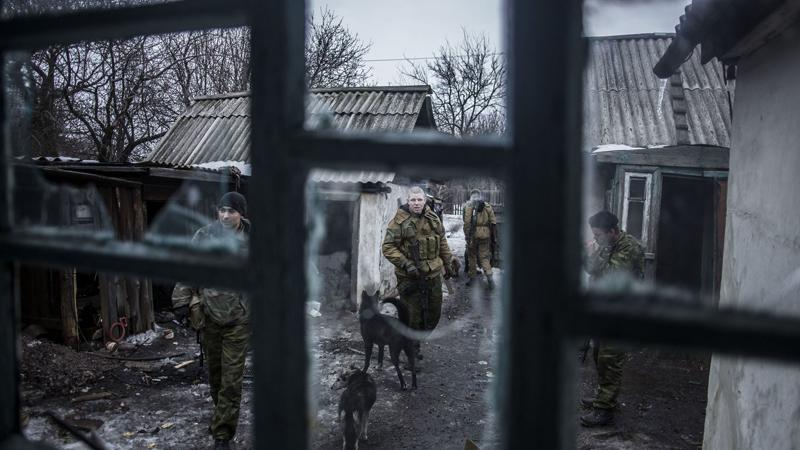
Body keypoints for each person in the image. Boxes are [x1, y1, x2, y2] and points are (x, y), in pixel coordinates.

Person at [172, 191, 251, 450]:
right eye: (222, 210)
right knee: (216, 377)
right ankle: (222, 418)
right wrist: (181, 303)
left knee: (231, 380)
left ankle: (222, 435)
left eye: (232, 211)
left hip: (240, 319)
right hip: (209, 317)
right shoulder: (204, 236)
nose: (226, 215)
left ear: (242, 213)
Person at [580, 210, 644, 428]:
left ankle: (605, 410)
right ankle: (603, 398)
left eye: (598, 235)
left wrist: (593, 254)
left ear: (613, 231)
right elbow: (591, 270)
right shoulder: (607, 245)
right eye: (594, 235)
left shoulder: (630, 248)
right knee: (600, 356)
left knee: (610, 360)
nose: (596, 239)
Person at [382, 186, 455, 360]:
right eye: (413, 200)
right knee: (412, 317)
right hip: (410, 278)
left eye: (419, 200)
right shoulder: (398, 221)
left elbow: (442, 241)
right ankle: (412, 350)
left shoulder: (433, 218)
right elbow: (388, 247)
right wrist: (406, 264)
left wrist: (448, 263)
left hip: (432, 275)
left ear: (425, 200)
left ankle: (412, 341)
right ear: (408, 201)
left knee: (433, 315)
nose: (416, 203)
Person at [462, 189, 498, 290]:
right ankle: (490, 278)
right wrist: (493, 237)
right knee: (484, 257)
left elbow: (466, 223)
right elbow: (493, 222)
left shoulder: (469, 206)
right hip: (485, 235)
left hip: (473, 235)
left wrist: (467, 236)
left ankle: (472, 278)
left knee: (472, 256)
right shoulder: (487, 206)